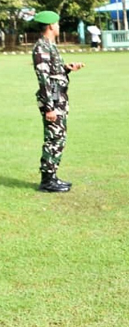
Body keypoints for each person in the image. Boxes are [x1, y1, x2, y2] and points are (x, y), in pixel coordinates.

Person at [32, 11, 84, 192]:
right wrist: (49, 107)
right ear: (51, 26)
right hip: (52, 100)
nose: (59, 26)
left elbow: (53, 72)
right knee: (53, 138)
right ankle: (47, 181)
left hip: (58, 97)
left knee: (59, 138)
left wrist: (66, 69)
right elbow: (44, 79)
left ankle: (52, 176)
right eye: (57, 24)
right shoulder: (41, 48)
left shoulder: (50, 46)